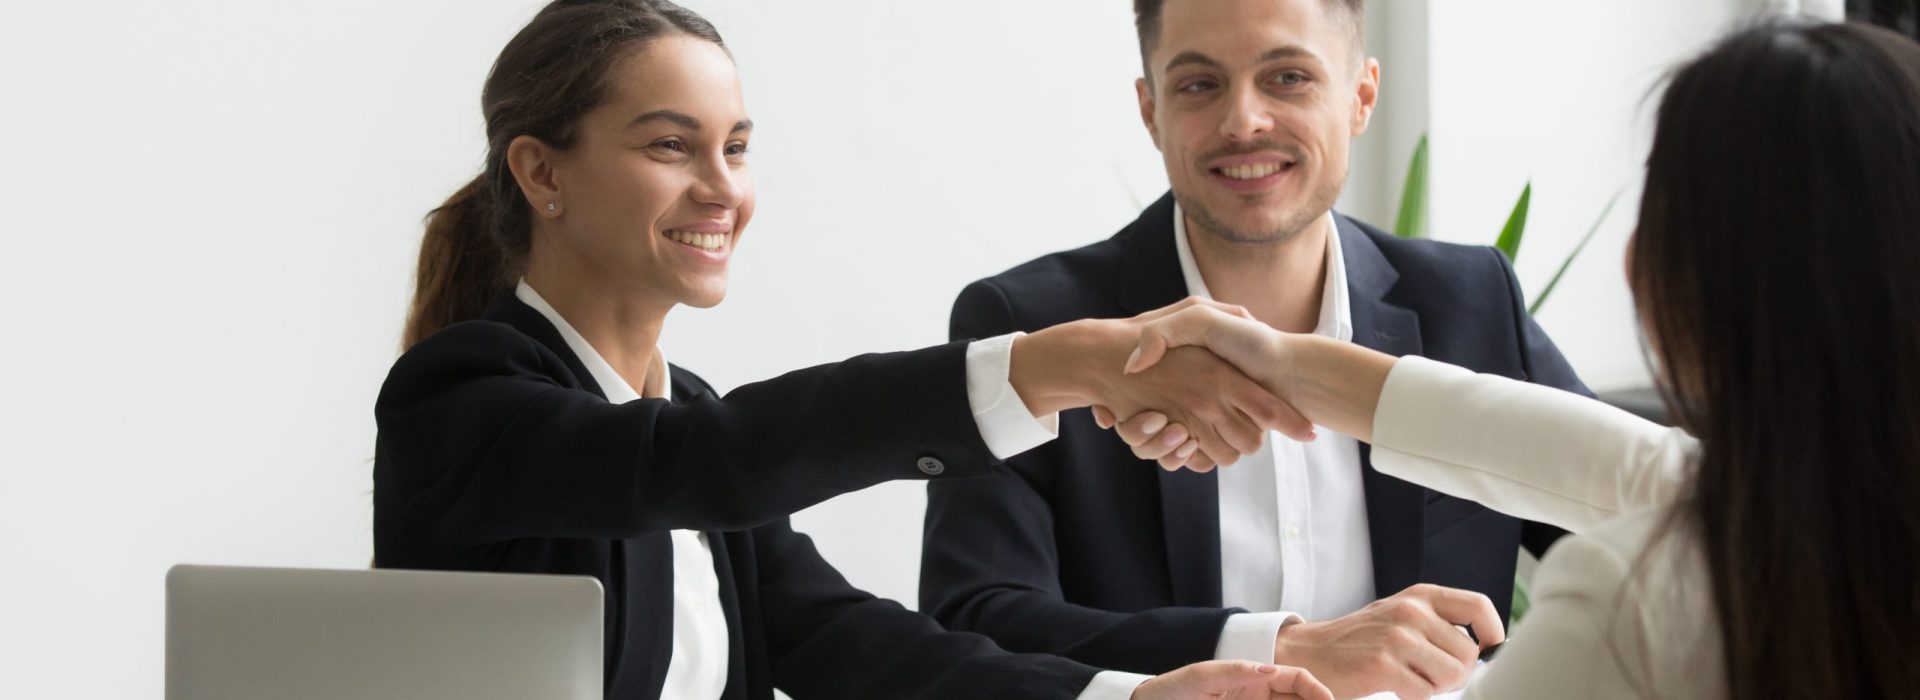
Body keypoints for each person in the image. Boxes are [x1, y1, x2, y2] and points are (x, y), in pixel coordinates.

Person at [371, 1, 1335, 699]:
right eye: (671, 147)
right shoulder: (461, 397)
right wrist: (1053, 364)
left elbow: (853, 643)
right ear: (542, 171)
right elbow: (705, 460)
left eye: (736, 147)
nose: (723, 189)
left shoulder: (685, 412)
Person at [1106, 19, 1920, 699]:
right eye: (1201, 84)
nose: (1245, 120)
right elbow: (1638, 466)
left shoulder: (1631, 599)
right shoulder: (1828, 509)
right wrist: (1285, 364)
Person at [919, 0, 1582, 697]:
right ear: (1151, 112)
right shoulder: (1031, 326)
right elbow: (971, 627)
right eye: (1200, 85)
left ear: (1360, 97)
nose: (1243, 121)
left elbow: (1659, 537)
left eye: (1288, 77)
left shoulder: (1472, 302)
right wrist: (1282, 648)